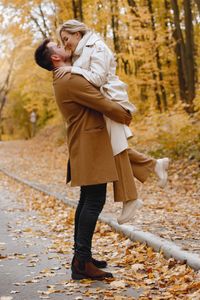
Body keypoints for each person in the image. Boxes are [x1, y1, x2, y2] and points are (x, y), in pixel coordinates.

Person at [34, 38, 132, 280]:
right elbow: (100, 102)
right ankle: (81, 262)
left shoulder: (63, 76)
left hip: (85, 143)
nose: (62, 45)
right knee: (94, 201)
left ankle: (82, 257)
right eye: (57, 45)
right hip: (89, 145)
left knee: (87, 199)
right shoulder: (68, 78)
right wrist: (125, 115)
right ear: (55, 57)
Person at [56, 19, 170, 224]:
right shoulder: (82, 51)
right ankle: (154, 166)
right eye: (62, 42)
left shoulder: (97, 46)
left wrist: (74, 70)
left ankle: (131, 198)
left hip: (113, 100)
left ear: (77, 34)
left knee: (115, 148)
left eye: (66, 39)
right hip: (105, 103)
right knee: (114, 147)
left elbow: (98, 78)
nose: (66, 45)